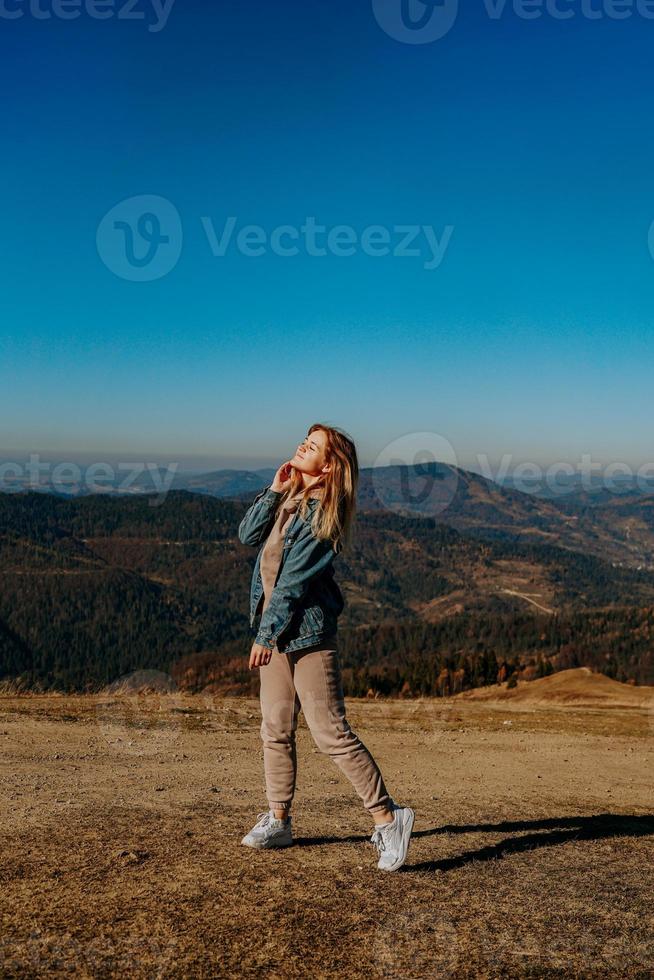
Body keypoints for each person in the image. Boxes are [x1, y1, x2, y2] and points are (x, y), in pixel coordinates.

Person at [237, 422, 415, 872]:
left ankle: (389, 819)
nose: (302, 445)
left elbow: (293, 583)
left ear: (330, 466)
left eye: (312, 445)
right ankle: (279, 820)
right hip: (277, 633)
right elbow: (246, 535)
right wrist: (275, 488)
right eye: (305, 439)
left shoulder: (323, 517)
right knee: (275, 727)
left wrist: (264, 635)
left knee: (330, 733)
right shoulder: (291, 500)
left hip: (307, 638)